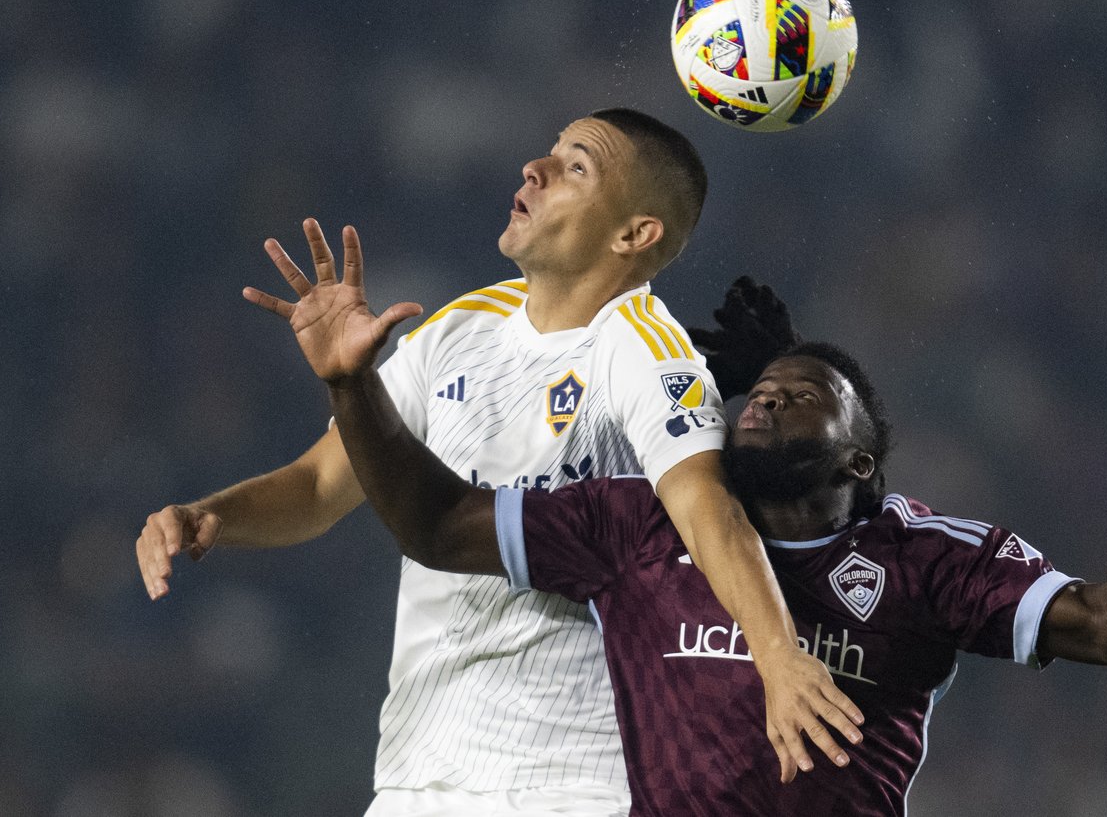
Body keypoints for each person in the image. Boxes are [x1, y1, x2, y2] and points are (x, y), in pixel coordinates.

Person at [266, 234, 1107, 815]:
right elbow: (436, 520)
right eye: (759, 390)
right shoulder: (640, 527)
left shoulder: (924, 560)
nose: (766, 398)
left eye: (804, 394)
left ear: (860, 460)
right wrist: (354, 388)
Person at [135, 108, 860, 816]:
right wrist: (211, 514)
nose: (534, 169)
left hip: (571, 781)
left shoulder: (645, 349)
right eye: (550, 151)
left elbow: (708, 510)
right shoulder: (461, 326)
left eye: (576, 166)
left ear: (634, 233)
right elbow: (321, 484)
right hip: (419, 777)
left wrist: (778, 657)